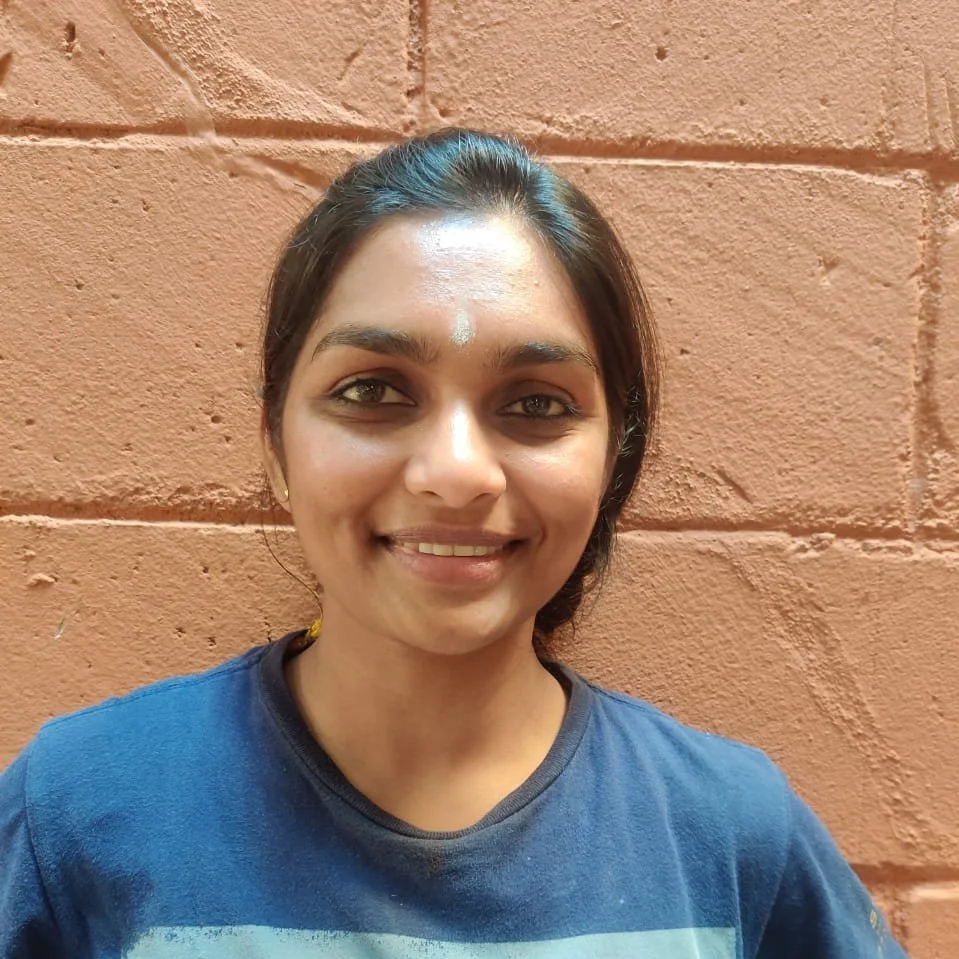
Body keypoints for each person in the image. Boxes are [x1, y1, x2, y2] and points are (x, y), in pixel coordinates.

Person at [0, 128, 907, 958]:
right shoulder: (77, 813)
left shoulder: (730, 835)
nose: (457, 471)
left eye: (537, 403)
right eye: (373, 391)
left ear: (610, 460)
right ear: (276, 445)